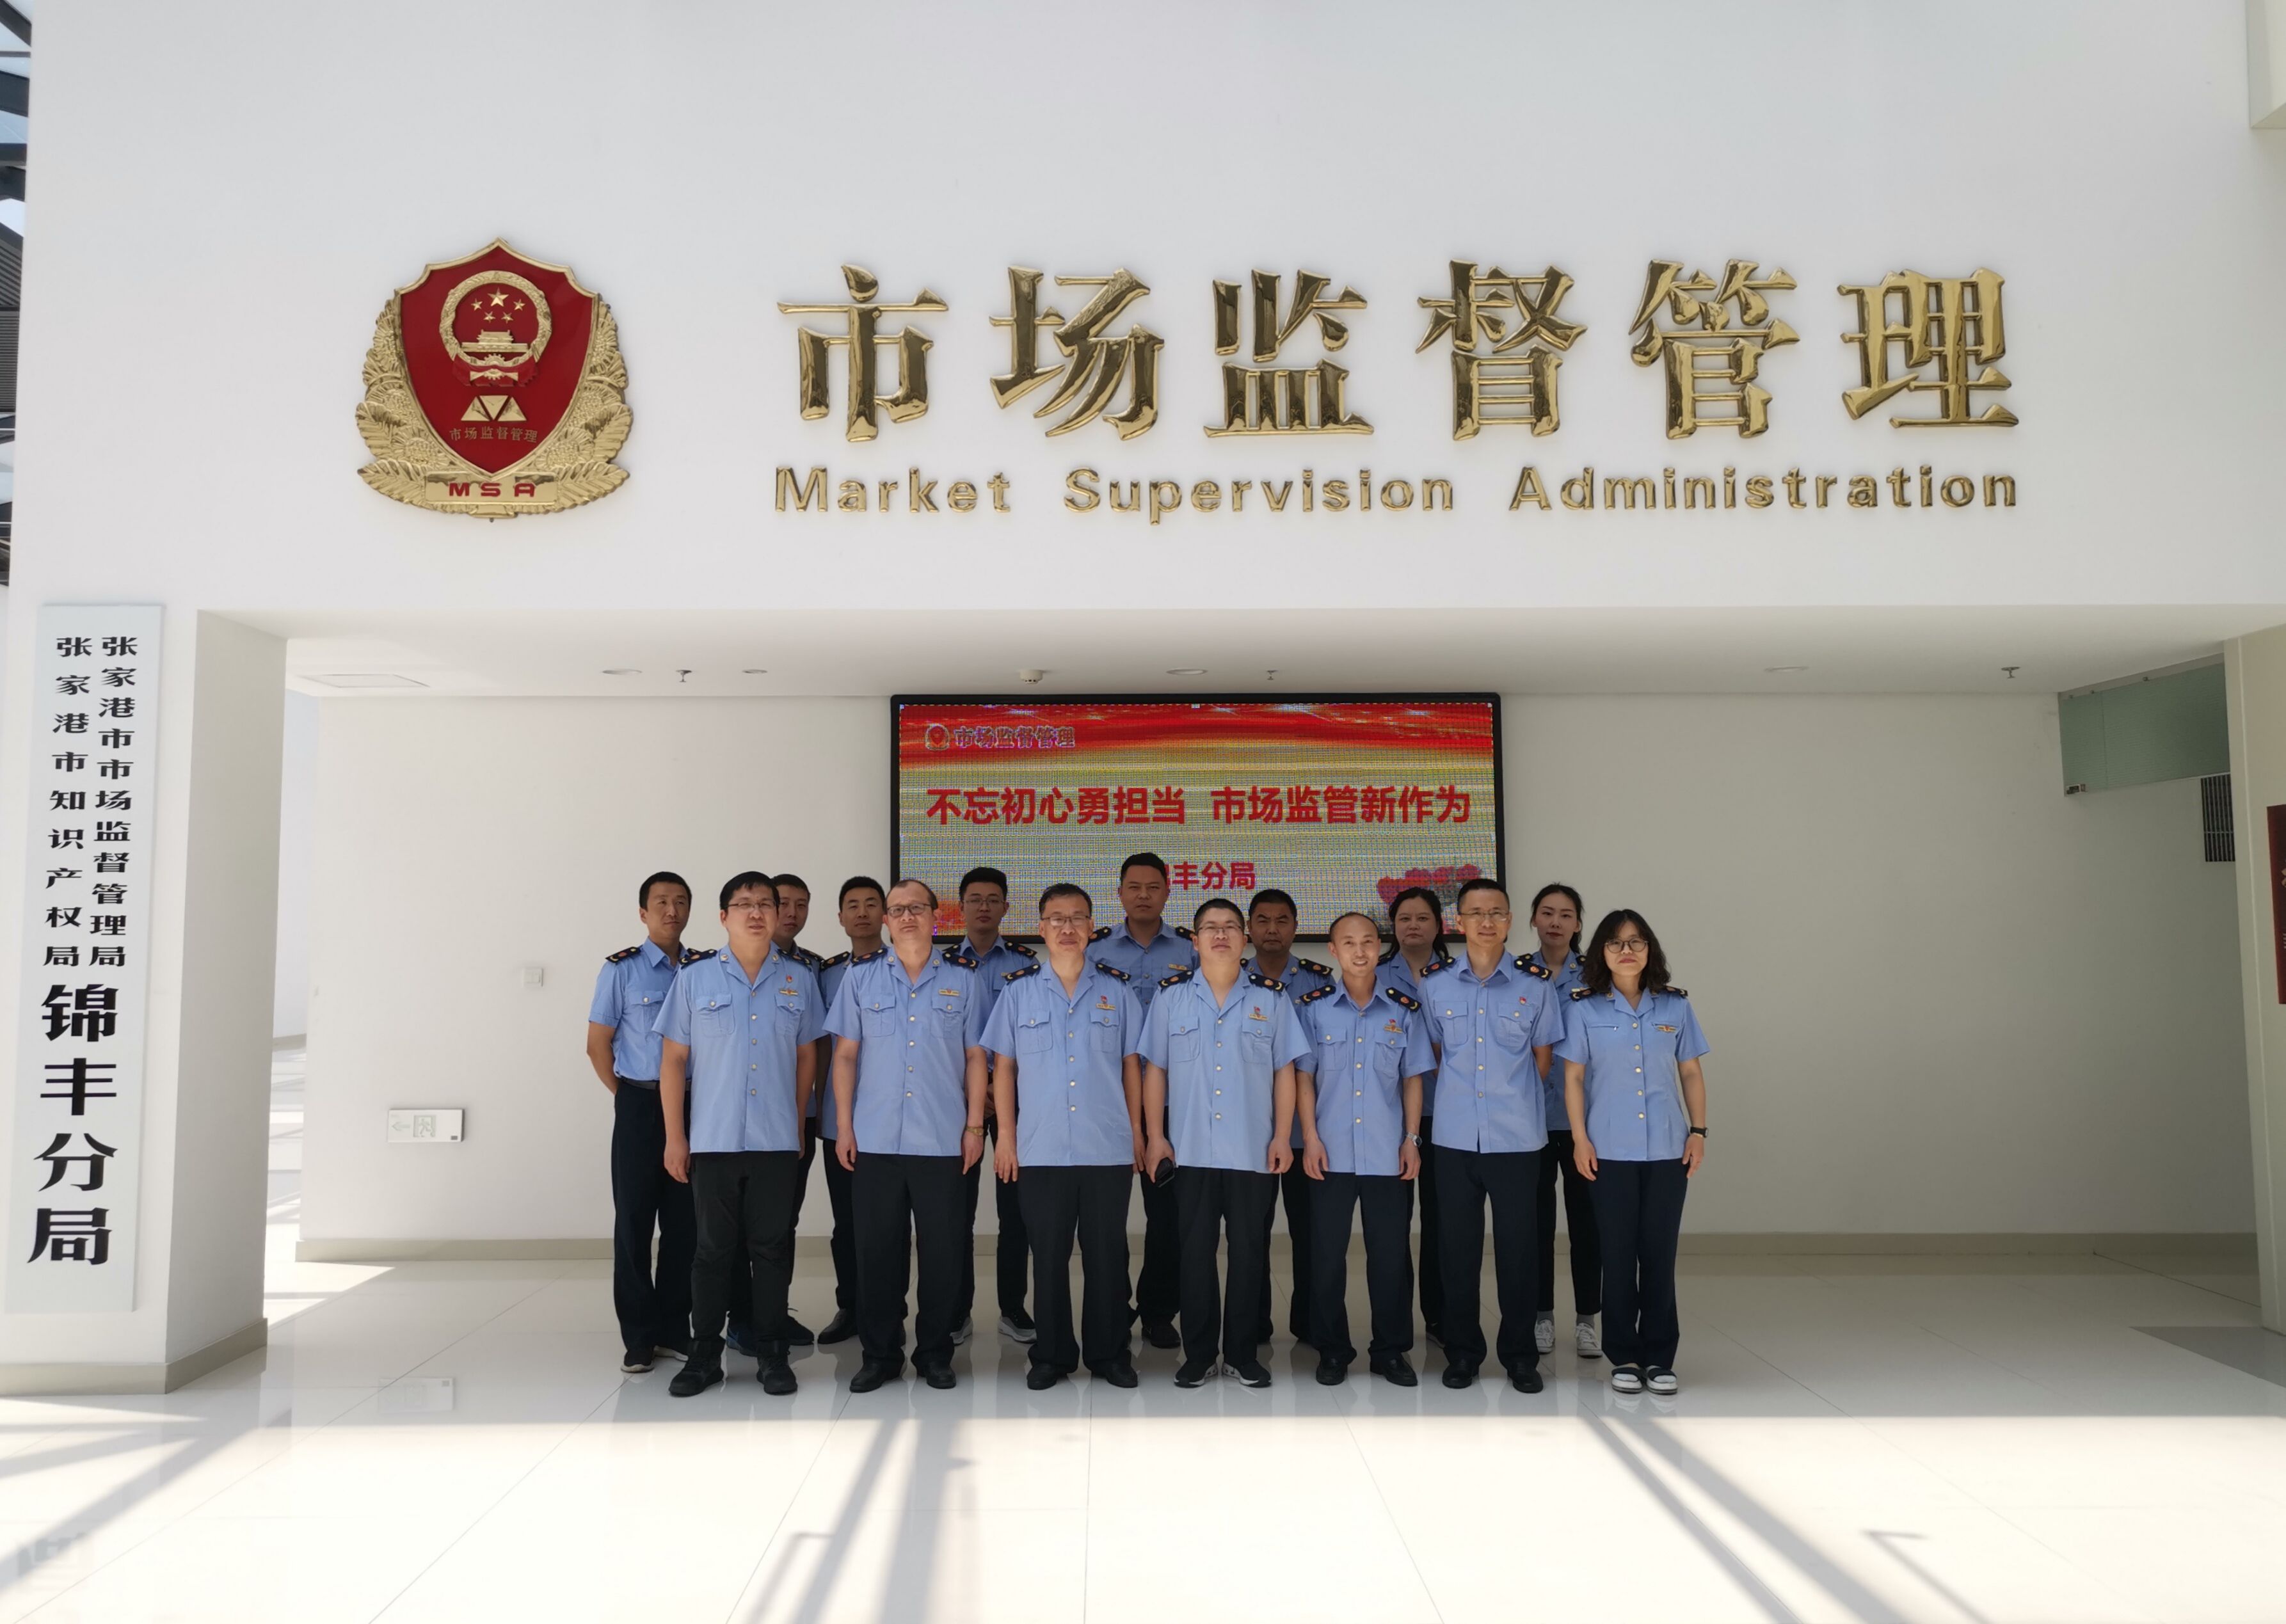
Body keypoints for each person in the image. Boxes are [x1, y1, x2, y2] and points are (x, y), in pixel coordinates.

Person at [656, 872, 821, 1397]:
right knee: (711, 1252)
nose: (756, 913)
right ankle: (704, 1356)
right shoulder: (695, 978)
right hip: (713, 1140)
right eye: (744, 904)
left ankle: (773, 1355)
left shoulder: (800, 980)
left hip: (776, 1141)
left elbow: (806, 1057)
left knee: (772, 1250)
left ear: (776, 915)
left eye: (765, 904)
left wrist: (798, 1122)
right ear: (724, 916)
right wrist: (675, 1137)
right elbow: (673, 1060)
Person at [826, 879, 989, 1390]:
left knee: (943, 1253)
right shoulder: (860, 979)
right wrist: (845, 1127)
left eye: (917, 908)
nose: (907, 917)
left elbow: (976, 1058)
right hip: (875, 1140)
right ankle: (880, 1356)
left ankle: (935, 1354)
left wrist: (975, 1126)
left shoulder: (965, 980)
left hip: (943, 1139)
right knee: (877, 1253)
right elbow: (845, 1057)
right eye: (897, 910)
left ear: (936, 917)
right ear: (887, 921)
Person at [983, 884, 1146, 1390]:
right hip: (1040, 1147)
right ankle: (1051, 1356)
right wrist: (1005, 1137)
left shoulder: (1118, 993)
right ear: (1041, 928)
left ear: (1092, 927)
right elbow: (1003, 1069)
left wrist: (1138, 1133)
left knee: (1107, 1255)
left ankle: (1110, 1354)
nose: (1067, 927)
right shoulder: (1018, 993)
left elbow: (1132, 1067)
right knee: (1048, 1256)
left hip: (1106, 1145)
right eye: (1057, 919)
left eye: (1077, 918)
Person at [1140, 898, 1307, 1388]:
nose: (1220, 934)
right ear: (1194, 941)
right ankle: (1198, 1355)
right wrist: (1155, 1137)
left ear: (1244, 939)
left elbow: (1285, 1072)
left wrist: (1282, 1136)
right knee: (1194, 1253)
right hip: (1189, 1149)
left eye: (1230, 927)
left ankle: (1241, 1354)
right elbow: (1155, 1071)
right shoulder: (1171, 999)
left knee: (1249, 1253)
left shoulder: (1271, 1000)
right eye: (1210, 927)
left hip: (1252, 1149)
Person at [1560, 910, 1709, 1397]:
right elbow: (1574, 1078)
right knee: (1618, 1254)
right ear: (1600, 952)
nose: (1627, 951)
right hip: (1608, 1150)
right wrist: (1579, 1138)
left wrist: (1699, 1131)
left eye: (1637, 942)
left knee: (1659, 1254)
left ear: (1650, 950)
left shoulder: (1675, 1007)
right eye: (1616, 943)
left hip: (1668, 1148)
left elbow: (1690, 1072)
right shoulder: (1584, 1008)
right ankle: (1623, 1354)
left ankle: (1660, 1356)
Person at [1425, 876, 1565, 1392]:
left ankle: (1520, 1357)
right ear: (1458, 921)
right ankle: (1463, 1353)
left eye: (1497, 913)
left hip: (1517, 1140)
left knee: (1519, 1251)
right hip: (1455, 1138)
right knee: (1457, 1250)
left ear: (1510, 921)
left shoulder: (1536, 986)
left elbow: (1543, 1059)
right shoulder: (1435, 985)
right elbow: (1436, 1055)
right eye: (1476, 913)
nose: (1486, 922)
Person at [1295, 912, 1433, 1386]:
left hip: (1386, 1152)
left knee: (1391, 1257)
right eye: (1349, 943)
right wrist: (1310, 1138)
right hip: (1329, 1152)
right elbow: (1303, 1079)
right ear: (1333, 951)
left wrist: (1411, 1139)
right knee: (1326, 1256)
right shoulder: (1313, 1009)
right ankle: (1332, 1350)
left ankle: (1390, 1352)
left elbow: (1412, 1079)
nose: (1360, 951)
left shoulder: (1403, 1010)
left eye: (1369, 941)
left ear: (1380, 947)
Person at [585, 870, 705, 1376]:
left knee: (685, 1225)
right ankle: (638, 1337)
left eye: (681, 902)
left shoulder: (704, 970)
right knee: (634, 1222)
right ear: (643, 912)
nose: (671, 911)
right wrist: (629, 1098)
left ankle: (675, 1330)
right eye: (661, 903)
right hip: (639, 1104)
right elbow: (597, 1045)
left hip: (695, 1106)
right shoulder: (622, 970)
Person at [1089, 852, 1197, 1350]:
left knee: (1167, 1217)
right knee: (1105, 1217)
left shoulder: (1190, 949)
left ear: (1168, 892)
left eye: (1153, 887)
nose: (1143, 896)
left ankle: (1158, 1311)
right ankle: (1113, 1308)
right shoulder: (1095, 948)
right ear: (1119, 894)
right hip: (1107, 1097)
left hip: (1172, 1100)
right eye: (1133, 887)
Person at [1243, 888, 1334, 1347]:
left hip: (1307, 1131)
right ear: (1249, 928)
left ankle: (1311, 1323)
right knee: (1250, 1234)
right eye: (1262, 920)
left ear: (1296, 927)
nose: (1272, 929)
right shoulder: (1234, 981)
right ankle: (1253, 1324)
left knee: (1311, 1233)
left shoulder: (1320, 982)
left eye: (1282, 920)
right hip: (1250, 1129)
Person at [950, 865, 1037, 1346]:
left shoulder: (1027, 966)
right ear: (961, 907)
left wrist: (996, 1089)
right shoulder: (942, 966)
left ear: (1006, 907)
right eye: (974, 899)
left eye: (992, 899)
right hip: (957, 1104)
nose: (984, 907)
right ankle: (956, 1311)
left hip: (1013, 1102)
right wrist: (974, 1091)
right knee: (954, 1213)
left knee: (1016, 1213)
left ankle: (1012, 1308)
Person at [1526, 882, 1601, 1361]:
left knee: (1587, 1223)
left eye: (1566, 915)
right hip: (1529, 1118)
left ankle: (1588, 1319)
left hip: (1584, 1121)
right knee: (1535, 1224)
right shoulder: (1516, 975)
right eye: (1547, 913)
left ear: (1577, 924)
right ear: (1533, 919)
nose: (1555, 922)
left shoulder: (1598, 975)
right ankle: (1542, 1316)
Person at [1377, 886, 1455, 1345]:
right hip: (1393, 1118)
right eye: (1404, 918)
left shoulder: (1460, 976)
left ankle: (1440, 1317)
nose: (1413, 926)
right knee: (1394, 1224)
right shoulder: (1373, 973)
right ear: (1393, 926)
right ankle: (1396, 1323)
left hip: (1447, 1116)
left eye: (1422, 918)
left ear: (1439, 925)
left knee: (1443, 1222)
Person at [810, 875, 885, 1346]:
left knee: (888, 1223)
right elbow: (820, 1047)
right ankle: (851, 1306)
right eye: (852, 905)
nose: (862, 913)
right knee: (847, 1221)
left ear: (885, 914)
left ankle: (889, 1307)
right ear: (840, 917)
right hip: (839, 1117)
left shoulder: (903, 969)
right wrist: (822, 1109)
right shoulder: (827, 975)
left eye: (871, 904)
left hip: (887, 1117)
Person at [760, 873, 824, 1349]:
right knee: (730, 1230)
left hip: (797, 1114)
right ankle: (739, 1316)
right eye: (783, 902)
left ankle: (773, 1313)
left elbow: (816, 1043)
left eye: (801, 905)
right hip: (740, 1113)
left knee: (783, 1220)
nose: (791, 913)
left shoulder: (813, 969)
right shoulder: (729, 964)